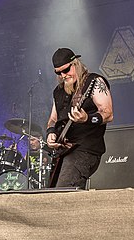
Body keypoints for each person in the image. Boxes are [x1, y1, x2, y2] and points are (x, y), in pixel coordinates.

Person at [46, 48, 113, 189]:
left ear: (75, 63)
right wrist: (51, 132)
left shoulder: (94, 82)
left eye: (66, 70)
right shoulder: (58, 91)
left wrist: (87, 118)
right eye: (58, 73)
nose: (63, 75)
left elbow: (108, 114)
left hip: (85, 149)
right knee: (49, 194)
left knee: (63, 193)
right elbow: (53, 119)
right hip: (63, 151)